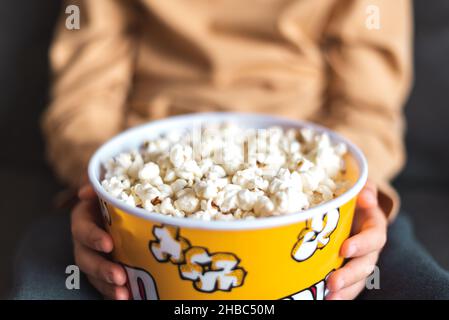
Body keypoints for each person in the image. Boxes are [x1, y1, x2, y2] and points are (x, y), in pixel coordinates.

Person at [39, 0, 449, 299]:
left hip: (312, 179)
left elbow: (368, 106)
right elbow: (82, 101)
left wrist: (362, 201)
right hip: (144, 168)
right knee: (40, 283)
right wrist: (91, 188)